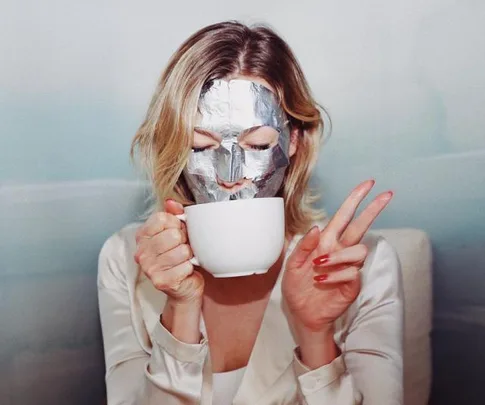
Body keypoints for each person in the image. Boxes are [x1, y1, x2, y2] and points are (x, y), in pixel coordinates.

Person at [97, 21, 403, 405]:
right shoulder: (127, 259)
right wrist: (179, 310)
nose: (230, 177)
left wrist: (314, 337)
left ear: (294, 140)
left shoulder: (359, 265)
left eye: (257, 143)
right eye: (199, 146)